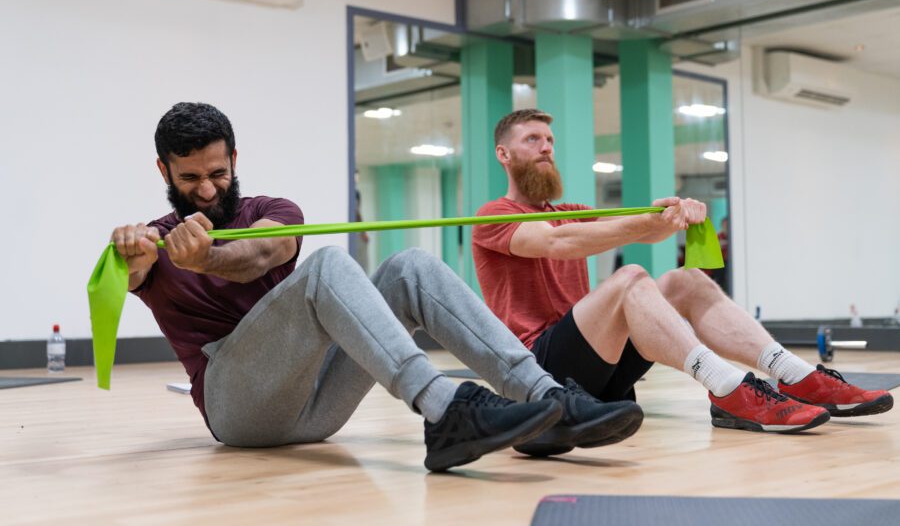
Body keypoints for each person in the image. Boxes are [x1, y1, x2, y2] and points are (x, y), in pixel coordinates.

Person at [111, 102, 645, 472]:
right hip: (238, 412)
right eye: (190, 179)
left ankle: (547, 397)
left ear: (234, 159)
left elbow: (260, 256)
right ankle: (445, 409)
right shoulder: (153, 243)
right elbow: (131, 275)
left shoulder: (273, 212)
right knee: (328, 266)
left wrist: (207, 258)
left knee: (410, 266)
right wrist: (128, 254)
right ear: (164, 170)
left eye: (217, 173)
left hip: (317, 403)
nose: (207, 190)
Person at [473, 109, 893, 439]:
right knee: (631, 277)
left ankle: (796, 376)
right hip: (540, 369)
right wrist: (649, 222)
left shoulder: (572, 212)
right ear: (503, 154)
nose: (546, 148)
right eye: (532, 140)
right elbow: (556, 242)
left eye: (549, 140)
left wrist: (671, 214)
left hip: (597, 370)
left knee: (684, 279)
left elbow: (643, 230)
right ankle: (728, 388)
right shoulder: (494, 215)